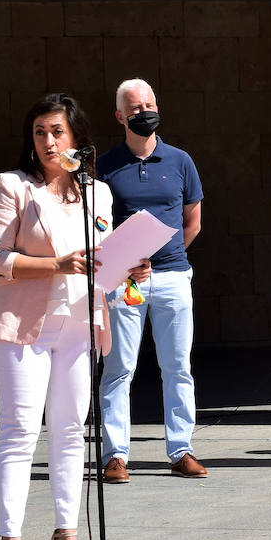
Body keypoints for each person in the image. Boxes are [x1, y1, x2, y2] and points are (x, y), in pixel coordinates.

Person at [0, 93, 116, 540]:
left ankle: (67, 539)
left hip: (79, 323)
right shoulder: (12, 186)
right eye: (39, 132)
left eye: (57, 131)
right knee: (19, 430)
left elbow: (103, 259)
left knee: (71, 432)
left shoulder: (97, 192)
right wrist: (56, 265)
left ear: (77, 136)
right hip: (21, 324)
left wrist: (128, 268)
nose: (49, 141)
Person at [97, 78, 207, 482]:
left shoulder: (180, 161)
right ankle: (116, 455)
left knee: (178, 366)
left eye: (149, 103)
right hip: (123, 282)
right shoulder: (104, 166)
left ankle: (181, 450)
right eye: (135, 106)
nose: (144, 111)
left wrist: (165, 253)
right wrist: (124, 262)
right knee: (119, 368)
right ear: (120, 116)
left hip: (174, 276)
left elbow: (191, 221)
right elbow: (95, 225)